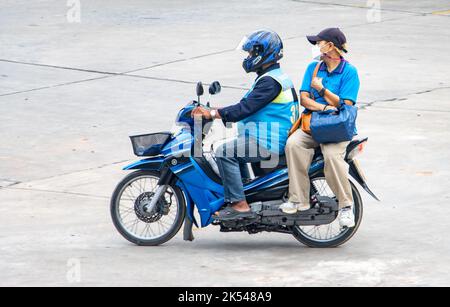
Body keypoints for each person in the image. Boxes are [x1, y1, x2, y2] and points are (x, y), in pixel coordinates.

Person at [192, 30, 298, 220]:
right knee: (231, 147)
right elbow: (246, 106)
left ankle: (239, 204)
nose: (248, 58)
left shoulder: (270, 82)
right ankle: (243, 191)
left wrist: (214, 113)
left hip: (269, 141)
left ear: (263, 53)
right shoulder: (271, 77)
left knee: (224, 152)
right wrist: (210, 110)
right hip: (264, 136)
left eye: (251, 54)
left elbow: (245, 108)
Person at [280, 28, 360, 228]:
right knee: (293, 144)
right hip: (314, 126)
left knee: (332, 157)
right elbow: (304, 99)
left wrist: (322, 89)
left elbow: (346, 106)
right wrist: (325, 107)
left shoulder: (349, 72)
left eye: (319, 42)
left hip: (337, 129)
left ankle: (345, 207)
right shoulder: (314, 68)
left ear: (330, 46)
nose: (316, 46)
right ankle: (299, 200)